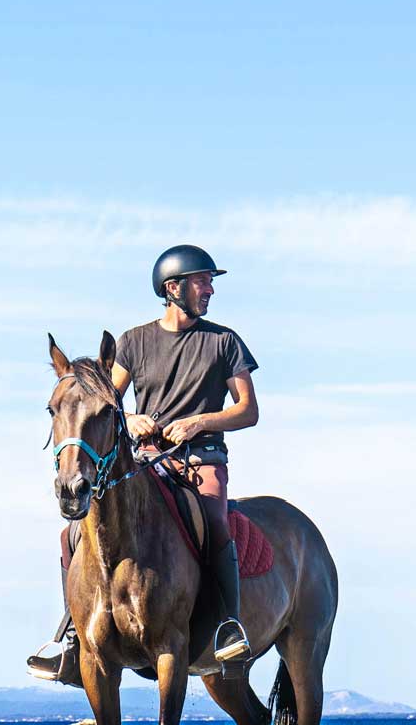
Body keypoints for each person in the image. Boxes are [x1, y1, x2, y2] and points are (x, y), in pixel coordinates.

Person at [26, 244, 259, 683]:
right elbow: (104, 402)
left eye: (209, 282)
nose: (209, 289)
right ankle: (73, 637)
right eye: (201, 282)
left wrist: (198, 422)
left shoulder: (224, 342)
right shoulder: (133, 342)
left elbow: (248, 410)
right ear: (173, 289)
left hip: (201, 458)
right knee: (71, 532)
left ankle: (228, 626)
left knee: (215, 521)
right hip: (145, 460)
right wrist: (132, 419)